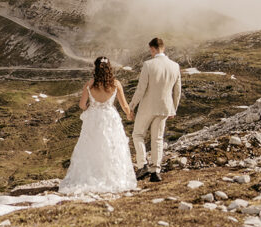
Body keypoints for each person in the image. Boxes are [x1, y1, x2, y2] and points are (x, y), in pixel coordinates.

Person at [59, 55, 137, 194]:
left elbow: (82, 105)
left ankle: (91, 177)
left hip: (94, 118)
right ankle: (112, 177)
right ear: (109, 68)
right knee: (111, 147)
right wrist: (129, 114)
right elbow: (124, 105)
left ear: (95, 68)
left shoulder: (89, 84)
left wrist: (90, 105)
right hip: (110, 118)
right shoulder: (116, 84)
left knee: (92, 147)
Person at [129, 37, 181, 183]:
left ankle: (142, 165)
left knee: (138, 134)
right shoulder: (175, 66)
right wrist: (174, 109)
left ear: (152, 49)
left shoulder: (148, 65)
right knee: (157, 138)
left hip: (147, 106)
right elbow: (178, 91)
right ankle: (155, 172)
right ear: (163, 48)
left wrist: (131, 106)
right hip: (165, 107)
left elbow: (141, 89)